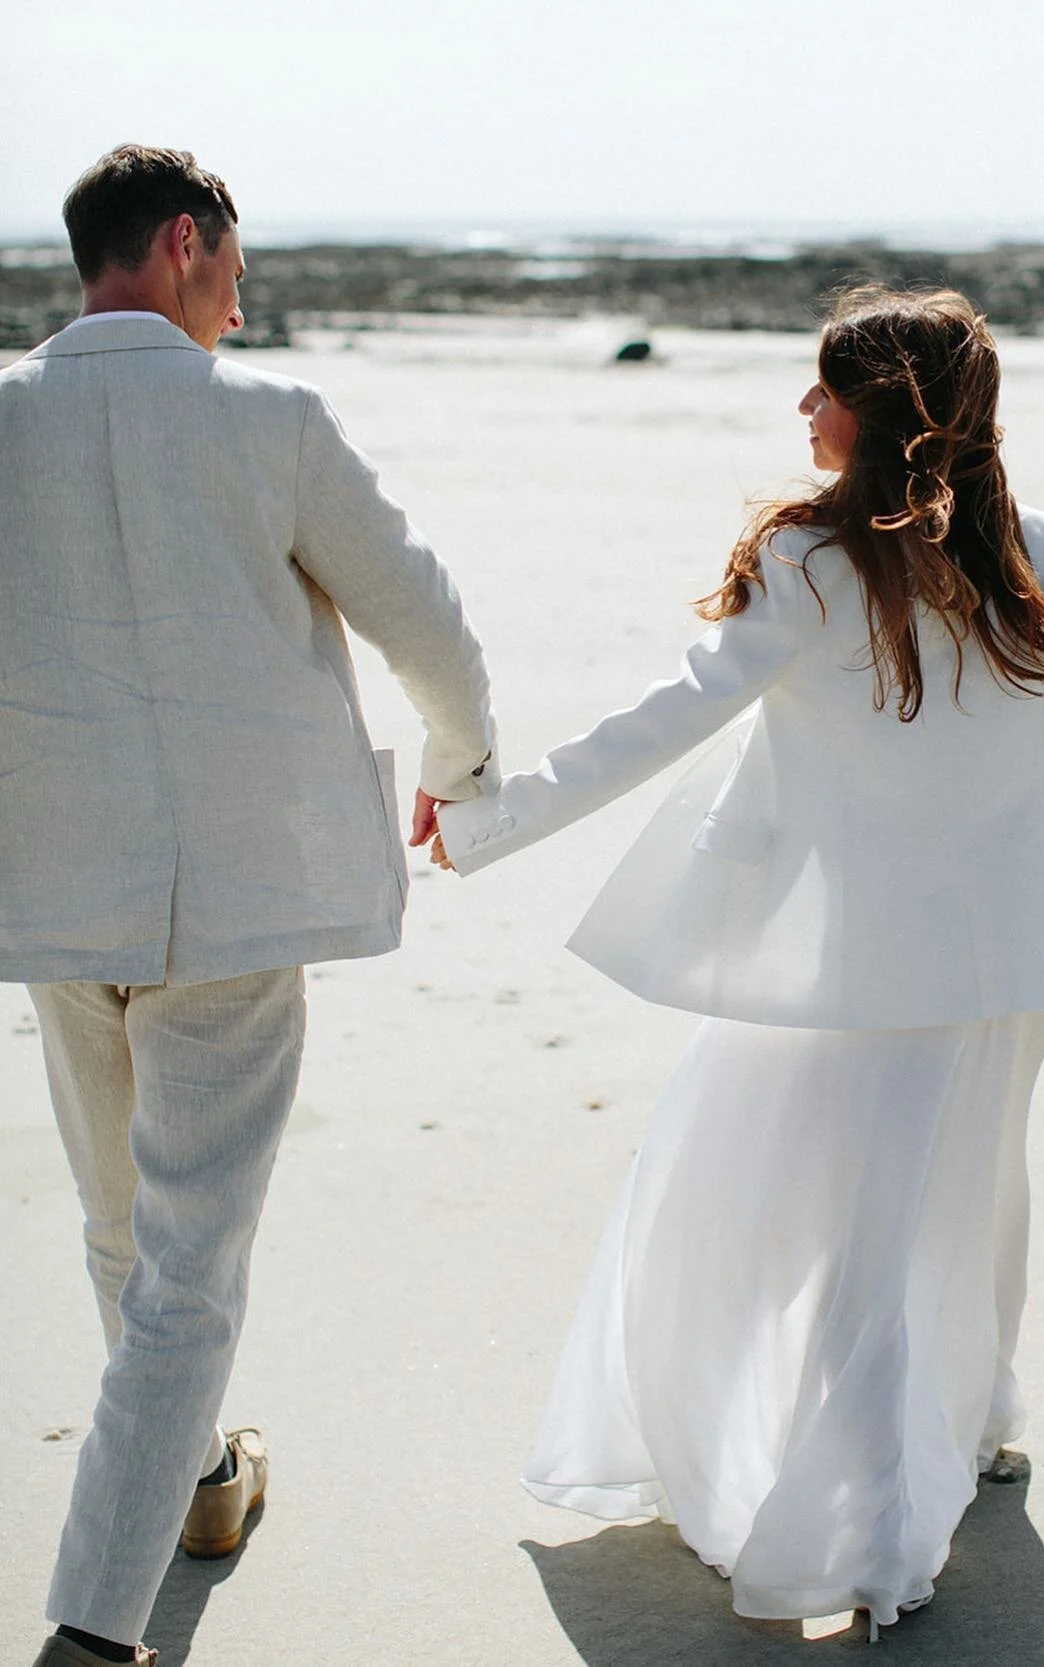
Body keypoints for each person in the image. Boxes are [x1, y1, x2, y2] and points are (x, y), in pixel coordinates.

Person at [433, 286, 1044, 1636]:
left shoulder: (813, 563)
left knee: (860, 1237)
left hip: (865, 965)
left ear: (882, 414)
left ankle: (872, 1541)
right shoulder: (1039, 548)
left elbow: (667, 718)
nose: (801, 409)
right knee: (986, 1175)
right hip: (1018, 945)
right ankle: (985, 1416)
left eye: (824, 388)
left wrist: (495, 819)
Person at [1, 145, 496, 1667]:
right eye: (235, 267)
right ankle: (94, 1626)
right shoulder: (269, 419)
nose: (240, 298)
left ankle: (202, 1479)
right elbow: (424, 613)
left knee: (118, 1225)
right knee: (188, 1260)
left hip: (52, 888)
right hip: (237, 897)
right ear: (184, 243)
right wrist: (460, 765)